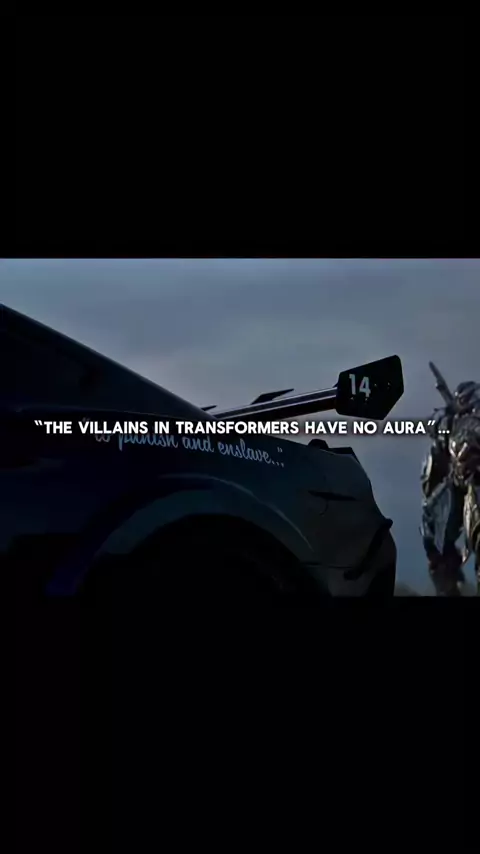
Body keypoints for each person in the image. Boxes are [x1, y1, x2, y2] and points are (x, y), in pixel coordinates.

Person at [421, 375, 480, 596]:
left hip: (473, 486)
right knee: (431, 528)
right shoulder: (452, 421)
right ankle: (449, 586)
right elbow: (434, 428)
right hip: (460, 487)